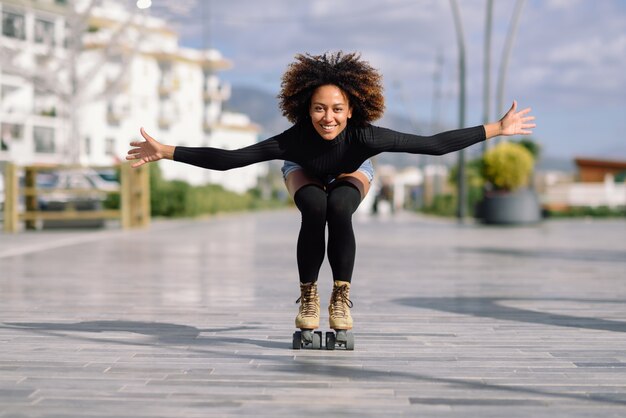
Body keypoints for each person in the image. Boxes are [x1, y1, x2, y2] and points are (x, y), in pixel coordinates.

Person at [126, 51, 535, 344]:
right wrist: (166, 151)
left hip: (352, 170)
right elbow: (232, 160)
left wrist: (496, 128)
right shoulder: (294, 139)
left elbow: (433, 145)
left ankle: (340, 297)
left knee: (339, 206)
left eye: (337, 109)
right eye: (320, 109)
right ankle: (308, 295)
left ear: (352, 109)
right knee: (314, 206)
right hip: (302, 170)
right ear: (307, 110)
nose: (329, 118)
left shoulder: (366, 135)